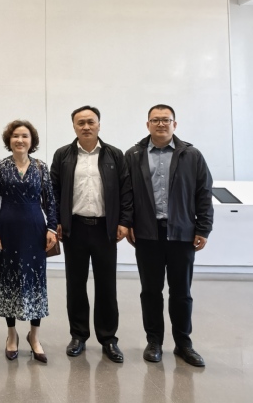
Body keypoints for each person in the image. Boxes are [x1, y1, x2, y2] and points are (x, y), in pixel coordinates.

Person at [126, 104, 213, 367]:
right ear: (148, 124)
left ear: (175, 124)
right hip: (147, 234)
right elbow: (126, 193)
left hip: (182, 234)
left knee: (181, 292)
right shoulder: (134, 155)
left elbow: (204, 193)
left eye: (166, 120)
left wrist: (203, 228)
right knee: (150, 291)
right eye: (155, 120)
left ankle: (184, 344)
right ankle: (154, 342)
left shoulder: (192, 155)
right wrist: (127, 223)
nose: (161, 124)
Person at [50, 105, 132, 363]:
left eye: (91, 122)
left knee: (106, 285)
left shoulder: (114, 155)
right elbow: (53, 191)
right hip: (73, 228)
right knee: (75, 284)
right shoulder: (63, 155)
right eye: (81, 122)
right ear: (74, 126)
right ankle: (78, 335)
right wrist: (56, 221)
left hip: (105, 229)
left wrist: (124, 221)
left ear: (99, 124)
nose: (86, 126)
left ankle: (108, 339)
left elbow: (126, 191)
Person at [0, 120, 58, 362]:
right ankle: (11, 335)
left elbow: (50, 200)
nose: (20, 140)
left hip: (35, 229)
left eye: (24, 136)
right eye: (15, 136)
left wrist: (52, 228)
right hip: (7, 230)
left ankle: (34, 336)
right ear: (9, 140)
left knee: (36, 281)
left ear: (32, 141)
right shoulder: (0, 166)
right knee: (9, 279)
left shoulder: (41, 167)